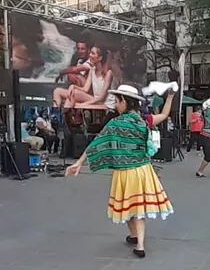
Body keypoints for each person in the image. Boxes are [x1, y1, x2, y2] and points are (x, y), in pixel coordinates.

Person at [66, 86, 175, 258]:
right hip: (143, 170)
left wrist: (79, 162)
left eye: (117, 101)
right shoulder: (143, 120)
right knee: (136, 207)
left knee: (129, 206)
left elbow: (97, 142)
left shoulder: (115, 124)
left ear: (124, 101)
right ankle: (136, 239)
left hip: (125, 172)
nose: (116, 105)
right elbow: (164, 115)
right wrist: (170, 98)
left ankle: (139, 244)